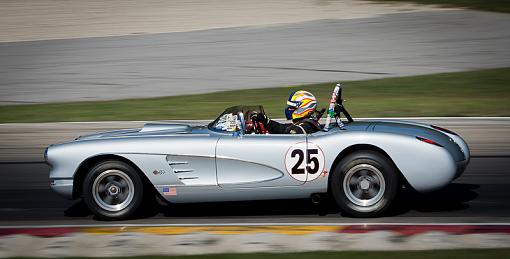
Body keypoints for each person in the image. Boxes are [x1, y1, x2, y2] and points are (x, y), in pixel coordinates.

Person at [252, 90, 321, 134]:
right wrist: (266, 121)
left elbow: (286, 133)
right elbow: (283, 128)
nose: (289, 109)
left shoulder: (305, 126)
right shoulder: (304, 123)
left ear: (304, 108)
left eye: (292, 107)